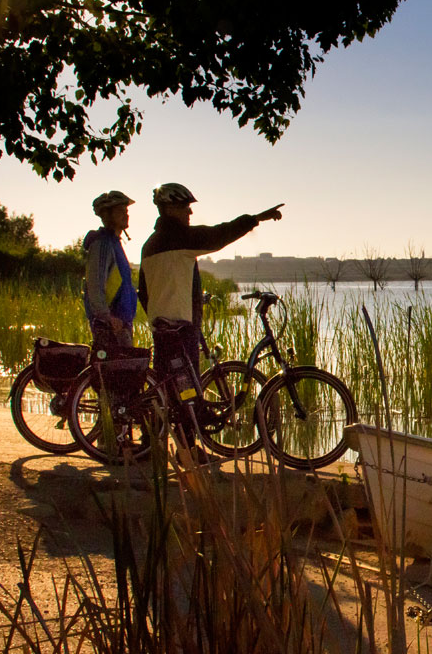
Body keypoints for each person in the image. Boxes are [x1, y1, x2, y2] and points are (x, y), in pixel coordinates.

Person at [137, 182, 283, 459]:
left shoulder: (150, 245)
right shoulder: (174, 238)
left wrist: (159, 314)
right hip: (179, 325)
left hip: (163, 324)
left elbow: (143, 291)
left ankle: (160, 446)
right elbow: (216, 236)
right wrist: (255, 220)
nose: (190, 212)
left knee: (173, 388)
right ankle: (187, 452)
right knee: (185, 390)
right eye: (184, 207)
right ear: (168, 209)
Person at [83, 191, 137, 349]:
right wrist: (106, 317)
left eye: (126, 211)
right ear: (106, 214)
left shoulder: (115, 243)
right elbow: (95, 283)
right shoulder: (103, 244)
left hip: (122, 323)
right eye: (120, 211)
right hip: (110, 325)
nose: (126, 215)